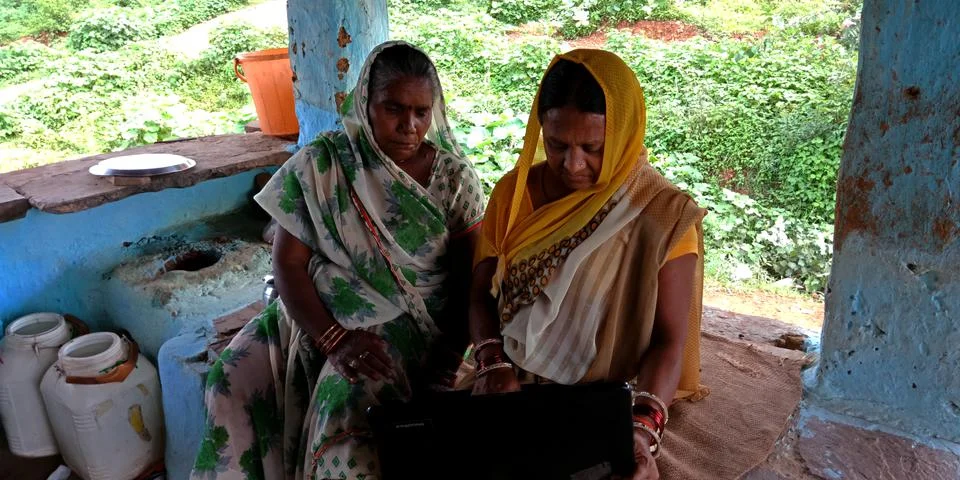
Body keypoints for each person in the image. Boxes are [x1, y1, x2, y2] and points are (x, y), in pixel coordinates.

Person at [191, 41, 485, 480]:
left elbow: (471, 281)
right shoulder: (324, 163)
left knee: (345, 416)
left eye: (421, 112)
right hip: (317, 312)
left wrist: (444, 366)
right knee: (229, 377)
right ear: (364, 102)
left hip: (411, 322)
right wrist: (334, 338)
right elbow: (288, 265)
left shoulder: (454, 180)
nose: (409, 126)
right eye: (393, 108)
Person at [468, 49, 707, 480]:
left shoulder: (660, 216)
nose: (572, 164)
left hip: (601, 404)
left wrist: (641, 430)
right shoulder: (514, 192)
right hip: (509, 387)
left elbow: (669, 340)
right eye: (556, 144)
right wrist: (491, 362)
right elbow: (481, 291)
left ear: (624, 135)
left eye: (592, 148)